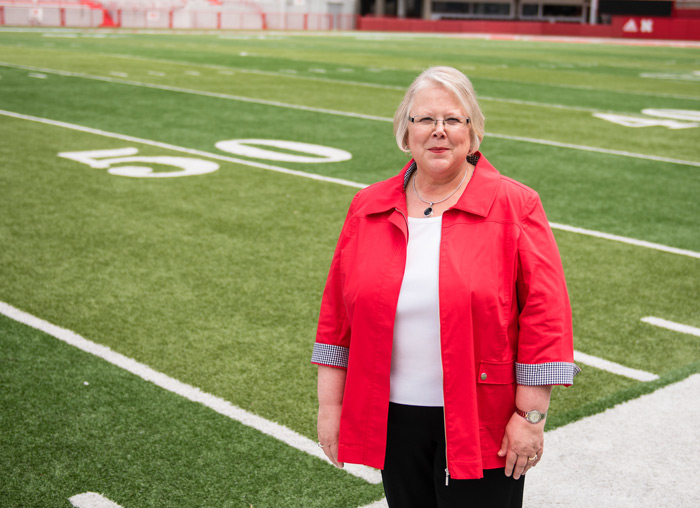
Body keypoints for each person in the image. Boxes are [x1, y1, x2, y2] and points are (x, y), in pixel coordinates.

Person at [311, 66, 579, 508]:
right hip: (393, 419)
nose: (439, 132)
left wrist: (530, 417)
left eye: (453, 120)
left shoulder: (516, 205)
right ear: (405, 131)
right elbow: (337, 318)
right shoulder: (368, 206)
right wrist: (330, 408)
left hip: (483, 422)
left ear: (472, 133)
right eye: (424, 120)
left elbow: (546, 317)